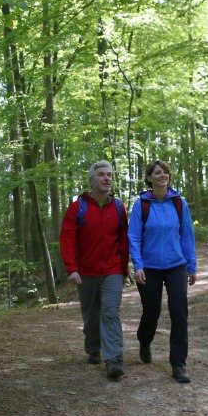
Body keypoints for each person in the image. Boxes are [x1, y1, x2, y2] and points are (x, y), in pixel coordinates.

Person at [128, 160, 197, 383]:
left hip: (176, 265)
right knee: (152, 311)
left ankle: (178, 364)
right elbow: (134, 237)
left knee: (179, 312)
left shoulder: (179, 203)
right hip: (149, 267)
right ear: (149, 178)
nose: (163, 175)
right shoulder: (141, 204)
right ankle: (144, 341)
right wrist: (138, 265)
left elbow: (187, 235)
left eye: (165, 172)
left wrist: (191, 265)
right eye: (157, 172)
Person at [59, 161, 130, 380]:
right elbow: (67, 239)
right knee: (91, 315)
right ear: (91, 180)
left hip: (112, 270)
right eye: (101, 175)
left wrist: (124, 268)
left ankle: (114, 359)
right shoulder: (77, 207)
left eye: (109, 175)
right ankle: (92, 347)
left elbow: (124, 240)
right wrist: (72, 268)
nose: (106, 178)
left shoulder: (118, 207)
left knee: (110, 312)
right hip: (86, 271)